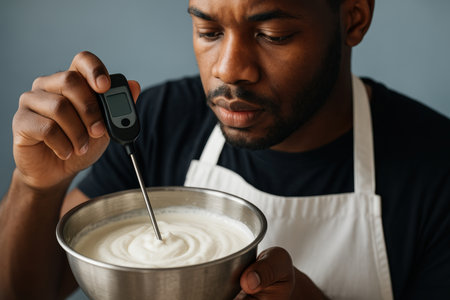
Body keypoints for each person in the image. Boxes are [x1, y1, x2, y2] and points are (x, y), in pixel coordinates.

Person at [1, 0, 449, 299]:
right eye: (209, 31)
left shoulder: (436, 171)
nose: (229, 70)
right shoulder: (161, 121)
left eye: (272, 34)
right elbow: (26, 288)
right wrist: (35, 186)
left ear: (352, 18)